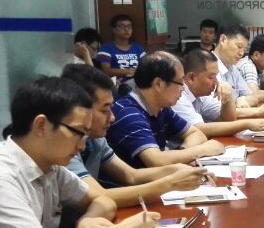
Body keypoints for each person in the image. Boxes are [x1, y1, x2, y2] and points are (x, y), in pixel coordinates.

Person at [0, 77, 159, 228]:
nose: (82, 145)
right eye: (78, 132)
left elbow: (103, 200)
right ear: (41, 126)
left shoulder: (48, 164)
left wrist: (88, 220)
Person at [61, 64, 211, 207]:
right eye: (104, 110)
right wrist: (171, 183)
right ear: (80, 109)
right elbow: (98, 196)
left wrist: (177, 170)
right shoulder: (64, 146)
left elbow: (131, 175)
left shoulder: (96, 139)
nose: (112, 117)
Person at [106, 52, 225, 169]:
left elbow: (196, 133)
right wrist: (202, 150)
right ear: (158, 84)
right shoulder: (129, 114)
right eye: (180, 82)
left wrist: (181, 154)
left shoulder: (162, 108)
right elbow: (156, 160)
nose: (183, 89)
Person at [174, 49, 264, 137]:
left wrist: (228, 95)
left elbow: (227, 118)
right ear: (191, 78)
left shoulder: (201, 96)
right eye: (211, 77)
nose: (216, 82)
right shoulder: (178, 96)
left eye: (216, 76)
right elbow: (197, 129)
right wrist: (247, 124)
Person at [213, 24, 264, 117]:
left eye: (244, 49)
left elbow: (253, 96)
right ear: (223, 40)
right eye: (239, 47)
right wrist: (256, 110)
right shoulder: (208, 67)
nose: (241, 53)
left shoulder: (232, 68)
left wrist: (241, 99)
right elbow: (216, 112)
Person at [95, 14, 145, 83]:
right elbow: (106, 71)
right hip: (117, 84)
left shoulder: (138, 48)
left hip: (139, 83)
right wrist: (127, 71)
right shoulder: (106, 48)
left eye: (129, 26)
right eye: (122, 26)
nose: (126, 29)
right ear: (114, 30)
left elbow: (146, 67)